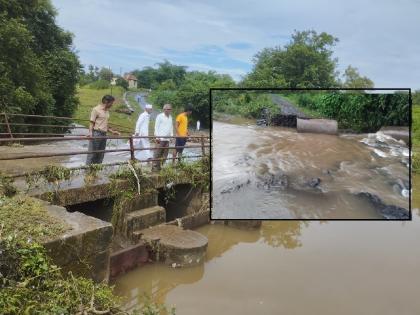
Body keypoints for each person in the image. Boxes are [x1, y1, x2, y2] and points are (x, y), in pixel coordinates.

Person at [86, 95, 120, 165]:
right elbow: (91, 123)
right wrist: (90, 133)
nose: (112, 105)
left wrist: (112, 132)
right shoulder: (96, 109)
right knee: (92, 153)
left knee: (101, 154)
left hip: (104, 134)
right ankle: (87, 172)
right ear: (106, 102)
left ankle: (96, 171)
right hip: (96, 133)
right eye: (111, 103)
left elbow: (104, 124)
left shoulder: (107, 111)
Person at [152, 103, 173, 171]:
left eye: (169, 109)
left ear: (171, 110)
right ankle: (155, 167)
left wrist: (171, 136)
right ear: (164, 109)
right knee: (157, 153)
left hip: (167, 139)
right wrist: (157, 137)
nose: (167, 110)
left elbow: (171, 127)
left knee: (165, 154)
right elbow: (156, 127)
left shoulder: (170, 117)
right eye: (166, 109)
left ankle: (161, 167)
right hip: (160, 138)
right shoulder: (160, 116)